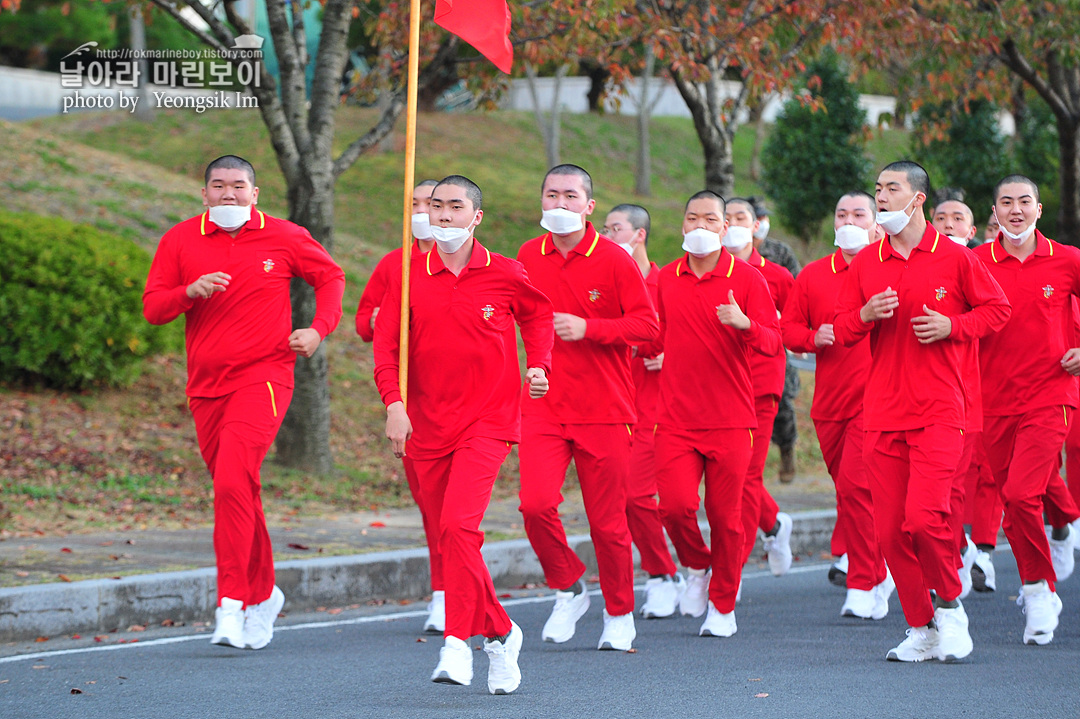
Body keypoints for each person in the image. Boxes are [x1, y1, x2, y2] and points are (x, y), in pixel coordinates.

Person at [142, 155, 346, 650]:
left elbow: (332, 277)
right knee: (241, 491)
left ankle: (231, 604)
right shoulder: (181, 239)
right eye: (218, 186)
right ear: (204, 193)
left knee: (233, 481)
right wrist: (189, 291)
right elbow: (153, 308)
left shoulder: (285, 236)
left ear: (255, 194)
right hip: (206, 386)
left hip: (265, 378)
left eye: (238, 186)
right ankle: (263, 595)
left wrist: (318, 330)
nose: (228, 195)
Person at [373, 175, 554, 694]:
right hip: (426, 426)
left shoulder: (505, 272)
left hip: (488, 423)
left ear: (476, 217)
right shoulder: (406, 275)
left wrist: (538, 366)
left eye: (455, 207)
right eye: (436, 207)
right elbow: (385, 350)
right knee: (453, 536)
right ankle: (500, 632)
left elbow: (539, 316)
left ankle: (456, 644)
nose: (444, 215)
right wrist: (394, 406)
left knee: (457, 527)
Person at [833, 161, 1011, 663]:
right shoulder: (867, 262)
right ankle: (921, 627)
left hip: (941, 409)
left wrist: (953, 327)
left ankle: (952, 608)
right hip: (884, 412)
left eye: (892, 189)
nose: (881, 197)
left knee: (924, 519)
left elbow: (997, 311)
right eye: (878, 189)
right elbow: (842, 329)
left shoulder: (955, 257)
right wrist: (865, 315)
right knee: (888, 531)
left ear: (917, 199)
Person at [517, 164, 659, 651]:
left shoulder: (616, 260)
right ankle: (569, 586)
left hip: (606, 406)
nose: (560, 205)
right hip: (543, 403)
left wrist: (590, 328)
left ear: (590, 207)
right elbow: (520, 319)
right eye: (552, 195)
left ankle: (619, 612)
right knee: (534, 504)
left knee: (606, 522)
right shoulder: (527, 256)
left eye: (570, 197)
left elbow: (648, 329)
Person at [654, 190, 782, 637]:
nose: (701, 226)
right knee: (673, 507)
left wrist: (745, 324)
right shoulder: (666, 278)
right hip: (675, 418)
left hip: (731, 418)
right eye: (693, 218)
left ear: (725, 228)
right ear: (683, 226)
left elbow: (773, 341)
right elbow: (656, 331)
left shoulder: (746, 279)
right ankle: (697, 564)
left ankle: (723, 604)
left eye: (711, 219)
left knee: (727, 518)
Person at [973, 174, 1080, 646]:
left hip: (1050, 393)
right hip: (992, 401)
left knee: (1018, 495)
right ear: (994, 212)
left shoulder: (1067, 260)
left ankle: (1036, 588)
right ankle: (1057, 543)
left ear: (1039, 209)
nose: (1015, 210)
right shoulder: (975, 262)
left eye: (1025, 202)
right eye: (1005, 202)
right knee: (1019, 501)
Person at [781, 191, 892, 619]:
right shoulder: (812, 275)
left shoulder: (888, 268)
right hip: (830, 402)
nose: (849, 220)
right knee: (851, 494)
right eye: (841, 213)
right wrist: (813, 338)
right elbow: (788, 329)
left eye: (858, 213)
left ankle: (865, 581)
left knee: (856, 487)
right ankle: (883, 568)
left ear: (876, 221)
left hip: (879, 399)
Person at [355, 179, 446, 633]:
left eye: (430, 203)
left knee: (456, 510)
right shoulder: (396, 263)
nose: (422, 211)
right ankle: (444, 593)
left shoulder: (464, 263)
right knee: (430, 504)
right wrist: (379, 320)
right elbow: (363, 320)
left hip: (459, 402)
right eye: (413, 203)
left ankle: (458, 589)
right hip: (412, 406)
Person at [602, 204, 684, 618]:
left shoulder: (666, 281)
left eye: (615, 228)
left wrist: (673, 355)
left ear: (639, 235)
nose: (606, 234)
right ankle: (666, 573)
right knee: (620, 500)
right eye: (604, 228)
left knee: (638, 496)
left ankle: (663, 574)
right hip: (611, 402)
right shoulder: (604, 278)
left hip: (657, 406)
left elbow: (695, 333)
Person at [930, 197, 1001, 596]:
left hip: (979, 392)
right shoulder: (915, 266)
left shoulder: (981, 268)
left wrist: (954, 325)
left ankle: (968, 556)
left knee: (968, 483)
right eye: (940, 219)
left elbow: (998, 314)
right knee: (940, 491)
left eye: (958, 219)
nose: (948, 225)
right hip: (931, 395)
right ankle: (959, 551)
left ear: (972, 233)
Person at [722, 198, 794, 580]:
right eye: (726, 218)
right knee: (726, 476)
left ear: (755, 226)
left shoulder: (778, 277)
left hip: (759, 384)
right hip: (715, 386)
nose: (732, 224)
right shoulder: (704, 273)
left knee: (747, 475)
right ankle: (775, 526)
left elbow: (795, 329)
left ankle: (733, 569)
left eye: (740, 218)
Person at [750, 197, 801, 483]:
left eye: (763, 217)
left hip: (774, 339)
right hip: (744, 341)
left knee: (782, 401)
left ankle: (787, 448)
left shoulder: (779, 253)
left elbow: (796, 289)